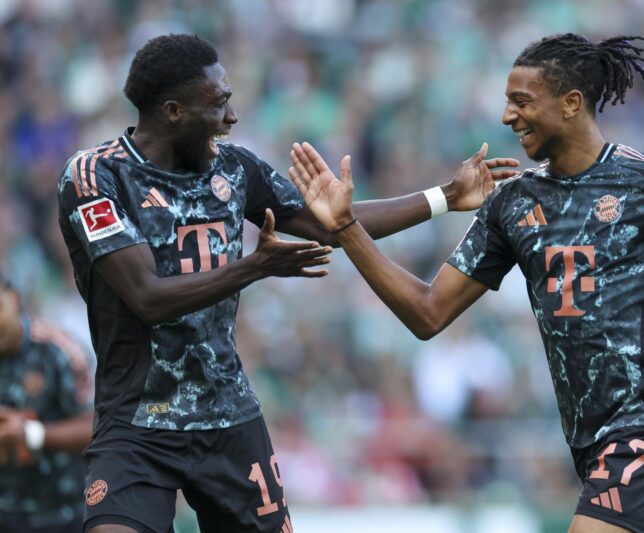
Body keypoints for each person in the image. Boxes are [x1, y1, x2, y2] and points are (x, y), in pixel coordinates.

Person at [289, 33, 644, 533]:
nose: (508, 116)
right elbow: (427, 312)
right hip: (588, 437)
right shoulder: (513, 203)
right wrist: (346, 229)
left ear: (571, 103)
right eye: (508, 102)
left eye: (521, 101)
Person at [56, 34, 518, 533]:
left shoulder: (234, 167)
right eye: (219, 104)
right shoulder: (95, 177)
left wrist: (446, 195)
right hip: (136, 421)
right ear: (172, 111)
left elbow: (329, 223)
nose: (232, 118)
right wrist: (255, 267)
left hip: (227, 417)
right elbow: (146, 297)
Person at [0, 274, 94, 533]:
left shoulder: (58, 350)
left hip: (61, 512)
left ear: (15, 298)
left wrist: (31, 434)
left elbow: (98, 425)